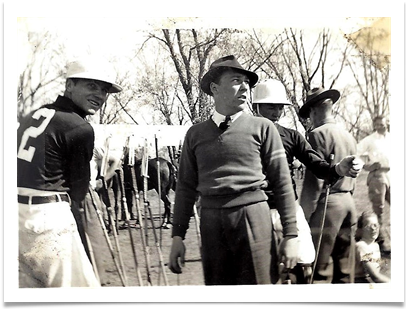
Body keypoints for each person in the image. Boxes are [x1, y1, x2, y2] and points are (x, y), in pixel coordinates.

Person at [168, 55, 299, 285]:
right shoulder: (195, 134)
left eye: (247, 83)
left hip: (253, 216)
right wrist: (178, 236)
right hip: (211, 223)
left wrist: (291, 235)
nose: (245, 87)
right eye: (237, 80)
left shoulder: (263, 128)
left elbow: (282, 183)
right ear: (215, 88)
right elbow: (185, 188)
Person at [17, 56, 122, 287]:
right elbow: (79, 192)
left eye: (104, 90)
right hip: (48, 217)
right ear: (69, 85)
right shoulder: (79, 127)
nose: (99, 95)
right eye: (91, 86)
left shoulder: (33, 115)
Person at [252, 79, 363, 284]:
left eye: (280, 107)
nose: (276, 112)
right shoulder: (243, 134)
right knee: (262, 268)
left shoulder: (292, 136)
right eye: (270, 106)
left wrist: (338, 168)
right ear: (256, 106)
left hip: (288, 208)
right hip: (257, 210)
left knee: (304, 260)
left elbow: (318, 165)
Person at [298, 86, 360, 284]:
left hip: (328, 204)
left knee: (319, 269)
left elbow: (314, 181)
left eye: (309, 113)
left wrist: (304, 215)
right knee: (344, 268)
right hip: (348, 201)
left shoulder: (317, 135)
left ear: (314, 110)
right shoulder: (348, 135)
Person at [357, 115, 391, 254]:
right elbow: (356, 153)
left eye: (381, 124)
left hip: (393, 175)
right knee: (379, 211)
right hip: (378, 176)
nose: (379, 127)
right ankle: (381, 242)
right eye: (376, 124)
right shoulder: (370, 140)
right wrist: (367, 166)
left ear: (387, 123)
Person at [354, 210, 390, 283]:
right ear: (360, 230)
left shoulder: (375, 245)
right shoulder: (361, 246)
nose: (373, 229)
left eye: (375, 225)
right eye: (368, 226)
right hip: (361, 282)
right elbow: (375, 277)